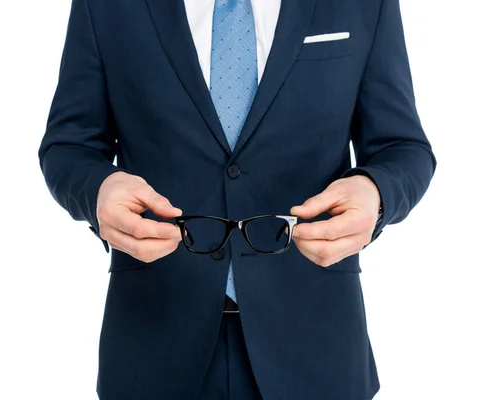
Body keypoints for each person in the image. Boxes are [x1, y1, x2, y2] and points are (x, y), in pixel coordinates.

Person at [38, 0, 436, 398]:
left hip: (316, 346)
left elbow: (403, 147)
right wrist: (97, 189)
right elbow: (68, 144)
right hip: (153, 343)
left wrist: (376, 192)